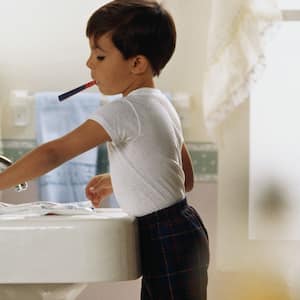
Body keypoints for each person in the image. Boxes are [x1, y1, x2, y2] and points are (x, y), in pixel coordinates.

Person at [0, 1, 209, 299]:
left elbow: (53, 154)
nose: (89, 64)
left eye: (99, 55)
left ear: (136, 64)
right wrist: (119, 180)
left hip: (164, 235)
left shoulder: (125, 111)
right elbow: (184, 179)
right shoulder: (160, 103)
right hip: (184, 229)